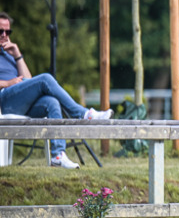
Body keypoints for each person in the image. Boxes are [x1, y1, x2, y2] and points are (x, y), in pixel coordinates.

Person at [0, 12, 111, 169]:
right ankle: (84, 114)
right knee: (45, 79)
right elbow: (26, 82)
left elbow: (28, 80)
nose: (4, 35)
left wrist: (18, 55)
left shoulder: (9, 52)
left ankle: (58, 155)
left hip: (19, 101)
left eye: (8, 32)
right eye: (0, 31)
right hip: (4, 101)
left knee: (52, 102)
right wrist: (7, 83)